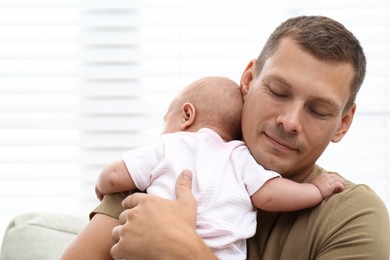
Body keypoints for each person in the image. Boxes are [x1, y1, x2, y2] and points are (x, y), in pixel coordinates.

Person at [63, 15, 390, 260]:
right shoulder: (169, 168)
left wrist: (185, 250)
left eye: (318, 110)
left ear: (343, 123)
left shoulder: (352, 216)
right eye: (278, 91)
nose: (290, 122)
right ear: (248, 79)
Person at [62, 76, 344, 259]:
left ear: (187, 115)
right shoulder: (240, 157)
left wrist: (101, 184)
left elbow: (115, 175)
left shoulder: (170, 147)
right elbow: (270, 194)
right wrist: (314, 191)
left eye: (166, 121)